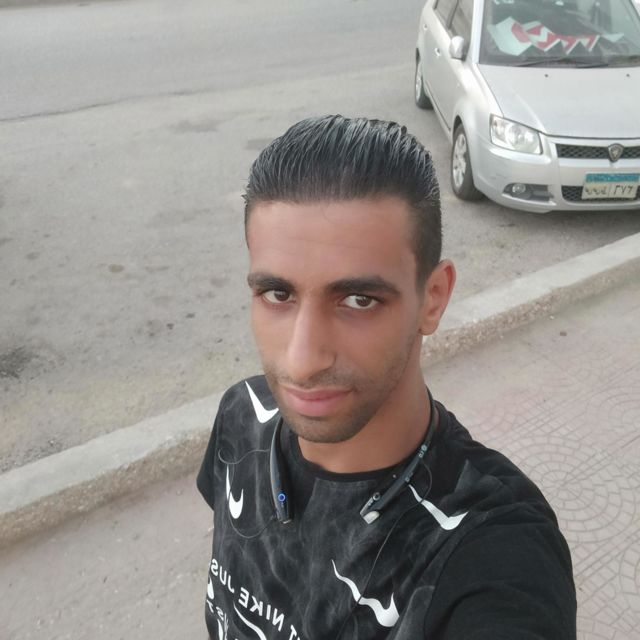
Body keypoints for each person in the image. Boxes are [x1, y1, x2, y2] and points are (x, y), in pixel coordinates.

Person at [197, 115, 576, 639]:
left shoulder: (489, 550)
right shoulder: (243, 418)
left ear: (433, 298)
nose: (302, 362)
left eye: (358, 300)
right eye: (277, 294)